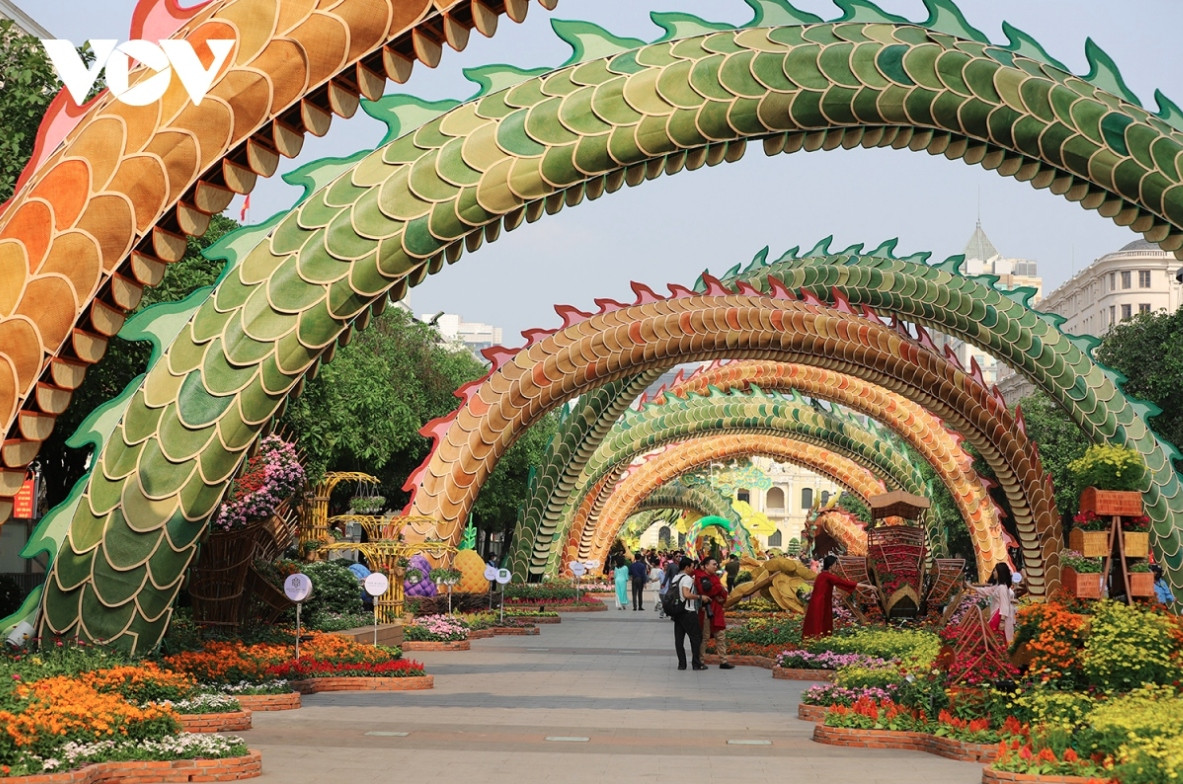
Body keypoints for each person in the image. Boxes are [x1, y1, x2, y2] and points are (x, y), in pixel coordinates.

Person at [802, 555, 873, 639]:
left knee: (816, 622)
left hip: (817, 601)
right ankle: (818, 639)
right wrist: (867, 586)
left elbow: (821, 588)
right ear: (831, 566)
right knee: (820, 622)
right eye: (836, 564)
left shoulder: (821, 575)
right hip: (822, 603)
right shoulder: (829, 576)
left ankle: (814, 639)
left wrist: (833, 594)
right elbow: (844, 583)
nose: (837, 566)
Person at [670, 556, 706, 670]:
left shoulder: (676, 578)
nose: (693, 569)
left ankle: (682, 664)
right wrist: (699, 597)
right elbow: (686, 594)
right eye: (692, 567)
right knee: (696, 638)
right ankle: (696, 663)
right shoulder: (687, 579)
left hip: (677, 612)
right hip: (688, 612)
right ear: (686, 567)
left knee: (679, 640)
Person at [698, 557, 733, 669]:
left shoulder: (715, 577)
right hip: (706, 611)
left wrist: (718, 592)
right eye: (713, 564)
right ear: (706, 566)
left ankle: (723, 661)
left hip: (717, 610)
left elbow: (722, 593)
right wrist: (719, 589)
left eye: (716, 564)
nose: (715, 566)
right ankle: (700, 660)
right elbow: (705, 592)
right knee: (705, 637)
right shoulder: (701, 577)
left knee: (721, 636)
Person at [970, 563, 1017, 644]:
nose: (993, 573)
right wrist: (970, 587)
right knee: (995, 639)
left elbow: (1004, 605)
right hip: (997, 615)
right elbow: (986, 591)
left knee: (992, 638)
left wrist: (1002, 621)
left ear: (999, 572)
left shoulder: (1002, 588)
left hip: (999, 616)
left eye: (995, 571)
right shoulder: (998, 587)